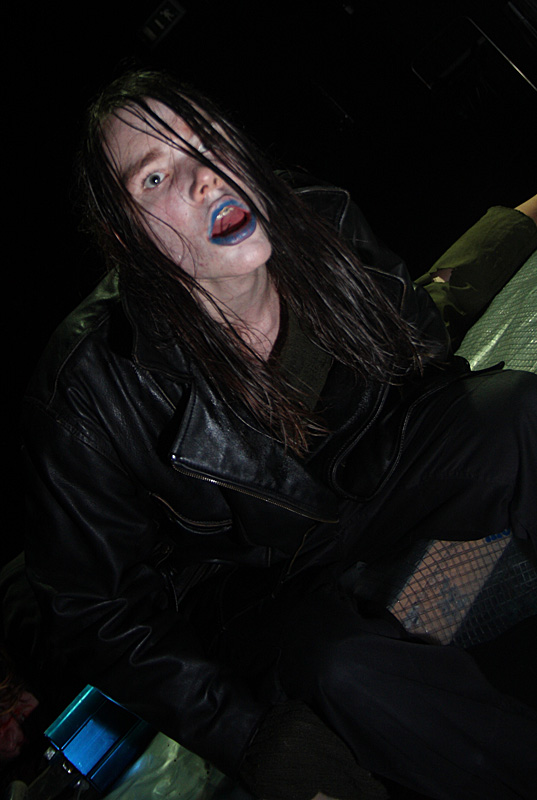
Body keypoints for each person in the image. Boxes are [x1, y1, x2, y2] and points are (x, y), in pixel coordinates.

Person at [13, 69, 537, 799]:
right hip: (258, 584)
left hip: (377, 481)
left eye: (207, 142)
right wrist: (245, 735)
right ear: (125, 236)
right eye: (156, 176)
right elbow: (93, 611)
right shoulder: (85, 392)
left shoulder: (318, 216)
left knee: (518, 413)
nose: (204, 177)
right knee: (344, 669)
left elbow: (420, 359)